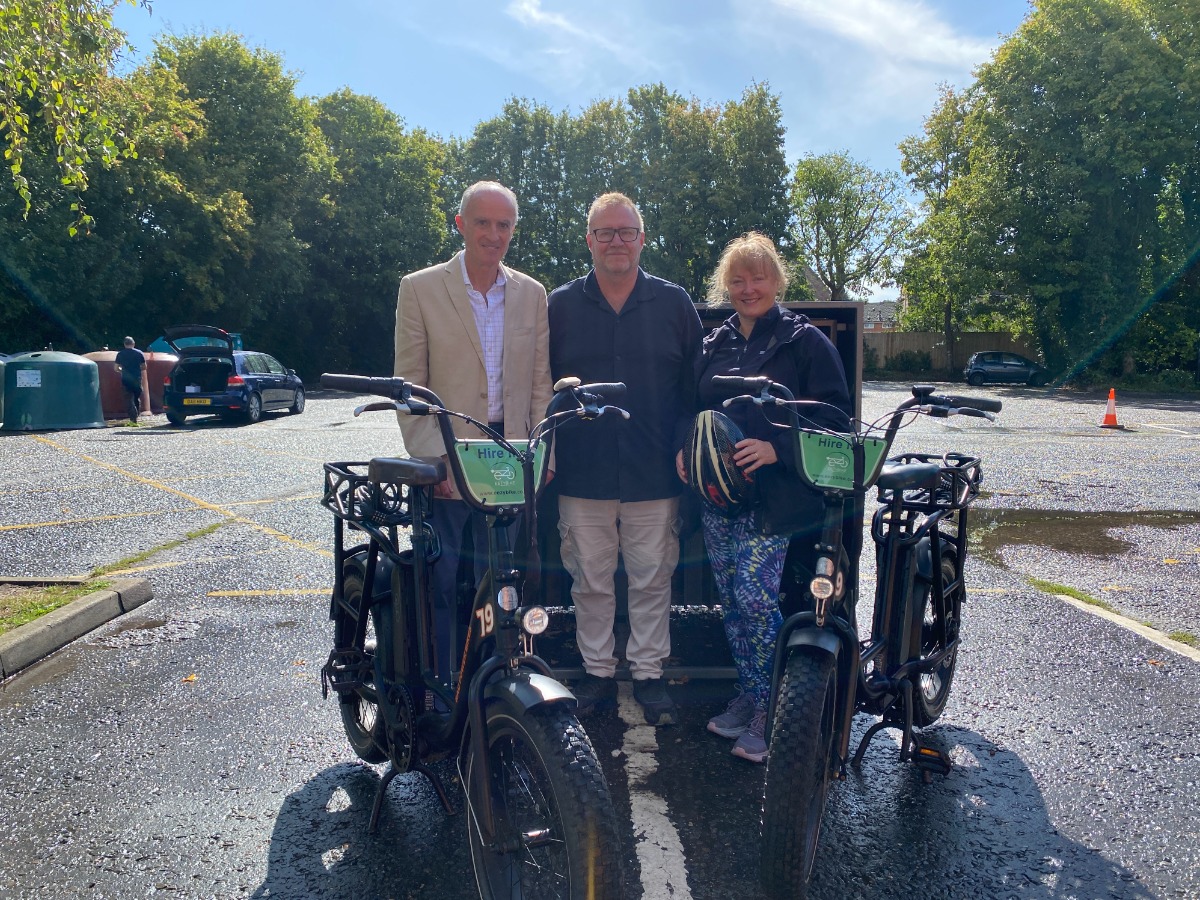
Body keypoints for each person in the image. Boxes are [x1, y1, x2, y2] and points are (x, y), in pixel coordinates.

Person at [681, 231, 852, 762]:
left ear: (777, 281)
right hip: (718, 494)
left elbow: (835, 418)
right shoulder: (715, 341)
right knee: (730, 600)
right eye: (737, 279)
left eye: (758, 277)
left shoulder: (804, 342)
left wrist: (778, 447)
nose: (747, 287)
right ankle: (751, 693)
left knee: (756, 600)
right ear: (725, 286)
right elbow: (688, 406)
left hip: (774, 498)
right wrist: (683, 448)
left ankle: (773, 706)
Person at [548, 192, 703, 726]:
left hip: (655, 469)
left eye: (626, 231)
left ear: (642, 238)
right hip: (582, 469)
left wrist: (686, 443)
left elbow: (693, 389)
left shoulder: (675, 304)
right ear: (589, 239)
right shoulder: (559, 306)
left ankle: (648, 674)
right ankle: (596, 672)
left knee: (652, 578)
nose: (617, 241)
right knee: (588, 580)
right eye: (605, 232)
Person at [394, 180, 553, 683]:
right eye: (482, 223)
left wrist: (542, 455)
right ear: (461, 224)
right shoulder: (419, 288)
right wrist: (435, 461)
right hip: (449, 455)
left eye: (503, 225)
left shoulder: (531, 294)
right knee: (442, 583)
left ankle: (497, 681)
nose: (493, 234)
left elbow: (540, 385)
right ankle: (442, 689)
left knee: (505, 580)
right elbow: (410, 387)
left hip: (509, 457)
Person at [114, 336, 146, 423]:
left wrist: (122, 371)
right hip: (137, 378)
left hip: (126, 379)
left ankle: (133, 418)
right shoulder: (139, 353)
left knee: (128, 398)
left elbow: (116, 368)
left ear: (124, 344)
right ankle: (136, 416)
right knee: (136, 398)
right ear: (133, 344)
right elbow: (144, 367)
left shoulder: (120, 354)